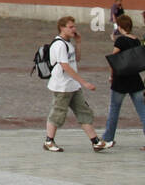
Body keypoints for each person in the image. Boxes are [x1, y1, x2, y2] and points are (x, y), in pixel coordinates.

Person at [43, 16, 108, 152]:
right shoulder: (59, 44)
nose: (74, 29)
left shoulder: (68, 44)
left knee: (83, 111)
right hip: (62, 86)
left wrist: (78, 43)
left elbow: (76, 59)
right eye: (70, 27)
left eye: (74, 26)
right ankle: (49, 141)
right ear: (62, 28)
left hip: (72, 85)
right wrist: (84, 82)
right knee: (58, 113)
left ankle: (95, 141)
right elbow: (65, 66)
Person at [100, 14, 145, 150]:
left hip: (121, 80)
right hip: (135, 79)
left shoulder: (120, 41)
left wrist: (111, 76)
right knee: (143, 111)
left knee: (114, 110)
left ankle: (108, 138)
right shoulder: (136, 40)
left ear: (120, 27)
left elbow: (113, 61)